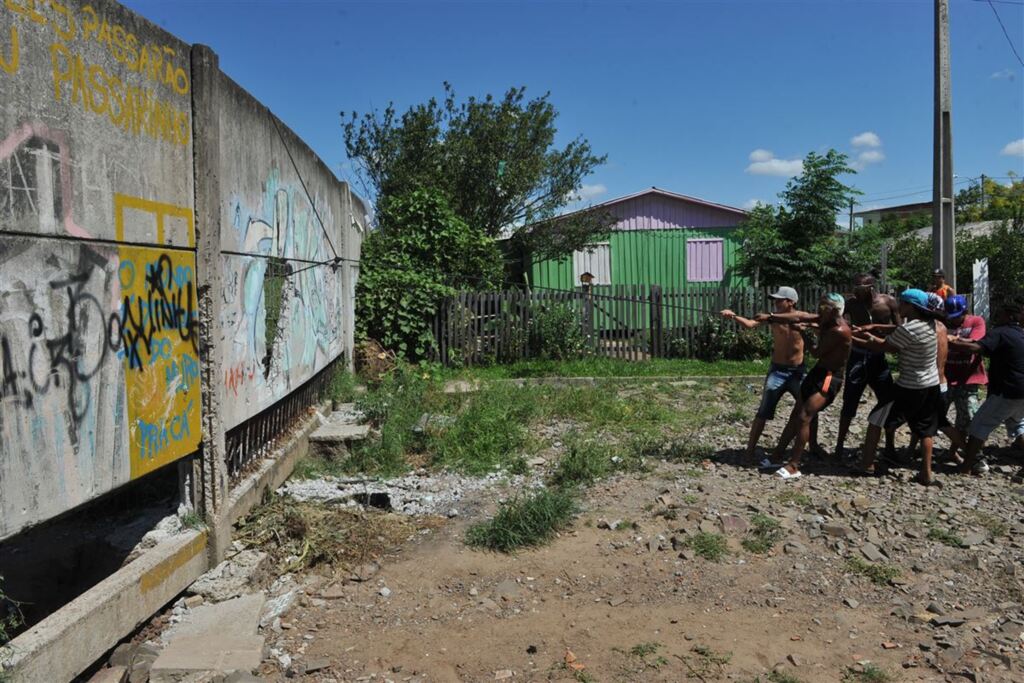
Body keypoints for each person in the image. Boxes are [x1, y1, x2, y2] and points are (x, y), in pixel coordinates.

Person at [852, 289, 946, 486]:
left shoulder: (909, 329)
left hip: (909, 387)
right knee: (925, 429)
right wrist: (871, 331)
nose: (899, 307)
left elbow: (886, 347)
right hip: (930, 385)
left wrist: (859, 338)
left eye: (903, 303)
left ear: (912, 307)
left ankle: (866, 464)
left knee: (875, 420)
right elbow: (895, 333)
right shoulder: (930, 324)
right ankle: (926, 473)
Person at [754, 293, 853, 480]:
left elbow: (815, 352)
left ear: (833, 310)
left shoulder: (839, 330)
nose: (818, 311)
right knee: (796, 414)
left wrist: (803, 333)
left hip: (830, 378)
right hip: (818, 372)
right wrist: (771, 317)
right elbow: (799, 316)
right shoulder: (826, 319)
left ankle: (794, 465)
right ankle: (777, 455)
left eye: (823, 308)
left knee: (804, 416)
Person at [720, 286, 806, 464]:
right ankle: (749, 451)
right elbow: (751, 324)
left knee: (808, 410)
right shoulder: (772, 318)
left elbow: (820, 325)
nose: (775, 303)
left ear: (791, 302)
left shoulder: (802, 318)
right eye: (774, 300)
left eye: (779, 300)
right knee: (763, 412)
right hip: (778, 371)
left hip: (798, 371)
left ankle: (810, 446)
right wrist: (733, 315)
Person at [949, 300, 1024, 475]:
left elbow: (976, 347)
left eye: (1000, 313)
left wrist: (949, 342)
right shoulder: (1020, 334)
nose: (996, 316)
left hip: (1008, 391)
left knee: (978, 426)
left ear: (1009, 316)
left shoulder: (1000, 333)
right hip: (1021, 391)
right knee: (1018, 424)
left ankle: (966, 467)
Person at [835, 274, 900, 459]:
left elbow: (899, 328)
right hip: (858, 355)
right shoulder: (852, 304)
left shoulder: (888, 302)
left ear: (870, 288)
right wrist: (848, 327)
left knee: (888, 401)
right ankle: (839, 445)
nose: (856, 293)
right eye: (855, 289)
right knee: (849, 401)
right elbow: (838, 319)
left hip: (878, 357)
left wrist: (873, 327)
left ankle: (890, 445)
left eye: (860, 289)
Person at [943, 295, 988, 469]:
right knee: (935, 416)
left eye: (957, 317)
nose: (953, 320)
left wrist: (953, 340)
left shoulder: (976, 321)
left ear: (965, 312)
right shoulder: (943, 324)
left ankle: (969, 453)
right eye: (950, 317)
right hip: (946, 378)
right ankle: (912, 450)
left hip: (969, 378)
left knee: (969, 418)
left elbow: (976, 344)